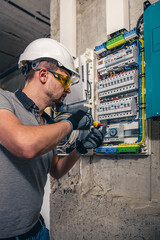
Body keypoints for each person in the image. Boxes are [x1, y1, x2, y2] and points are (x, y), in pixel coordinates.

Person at [0, 38, 106, 239]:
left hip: (35, 230)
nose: (68, 89)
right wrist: (71, 123)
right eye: (65, 80)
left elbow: (56, 170)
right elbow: (25, 145)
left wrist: (80, 149)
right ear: (42, 75)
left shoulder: (47, 123)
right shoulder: (4, 101)